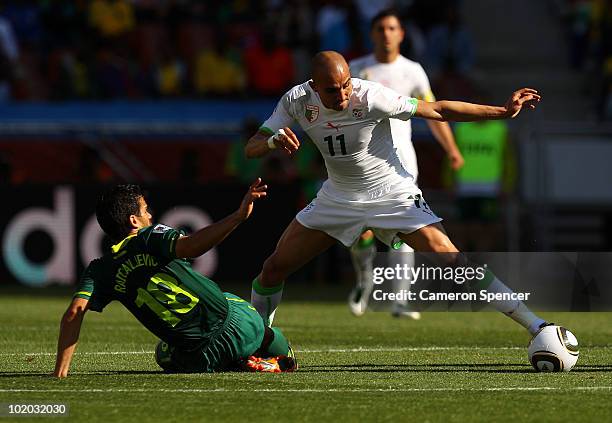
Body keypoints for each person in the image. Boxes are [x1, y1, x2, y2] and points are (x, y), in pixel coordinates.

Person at [245, 50, 550, 338]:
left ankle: (536, 325)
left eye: (346, 86)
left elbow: (438, 109)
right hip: (338, 197)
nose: (342, 96)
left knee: (454, 261)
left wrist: (502, 111)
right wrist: (272, 143)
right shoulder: (296, 100)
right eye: (332, 90)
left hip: (392, 192)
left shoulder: (373, 96)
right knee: (273, 269)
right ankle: (257, 340)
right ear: (313, 86)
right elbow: (252, 147)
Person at [53, 180, 297, 377]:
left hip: (202, 355)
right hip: (240, 326)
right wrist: (237, 217)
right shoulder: (149, 235)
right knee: (232, 301)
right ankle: (278, 355)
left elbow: (74, 313)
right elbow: (191, 247)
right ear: (133, 220)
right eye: (145, 210)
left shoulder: (98, 269)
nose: (150, 215)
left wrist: (60, 372)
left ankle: (239, 363)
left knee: (163, 353)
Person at [347, 8, 464, 318]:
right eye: (380, 28)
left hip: (402, 162)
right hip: (363, 162)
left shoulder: (412, 71)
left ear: (401, 34)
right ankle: (364, 279)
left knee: (407, 227)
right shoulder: (355, 69)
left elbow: (434, 112)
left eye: (392, 28)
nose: (386, 33)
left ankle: (400, 299)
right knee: (362, 232)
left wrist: (451, 148)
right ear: (372, 34)